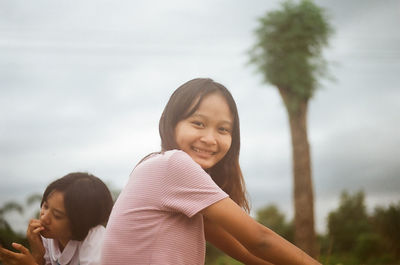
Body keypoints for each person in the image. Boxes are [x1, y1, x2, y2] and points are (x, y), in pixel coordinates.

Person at [101, 78, 321, 265]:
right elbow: (259, 240)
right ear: (170, 123)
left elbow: (246, 253)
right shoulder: (172, 165)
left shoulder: (159, 170)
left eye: (223, 129)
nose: (210, 139)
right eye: (198, 123)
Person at [0, 172, 113, 265]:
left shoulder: (95, 239)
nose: (44, 218)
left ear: (80, 222)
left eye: (57, 215)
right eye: (45, 206)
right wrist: (38, 255)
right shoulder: (50, 236)